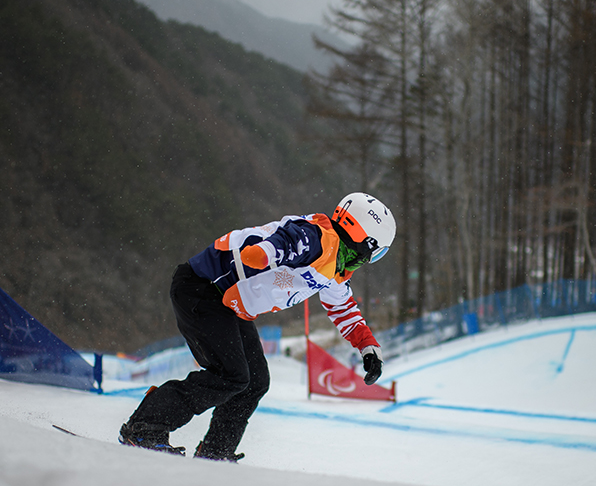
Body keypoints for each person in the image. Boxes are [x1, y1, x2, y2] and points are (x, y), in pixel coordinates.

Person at [119, 192, 396, 460]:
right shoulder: (319, 237)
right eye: (378, 252)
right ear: (365, 240)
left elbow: (343, 307)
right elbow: (290, 239)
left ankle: (216, 450)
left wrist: (368, 348)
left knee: (255, 381)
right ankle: (145, 426)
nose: (371, 260)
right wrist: (265, 254)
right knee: (231, 375)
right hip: (203, 289)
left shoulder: (335, 267)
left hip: (230, 307)